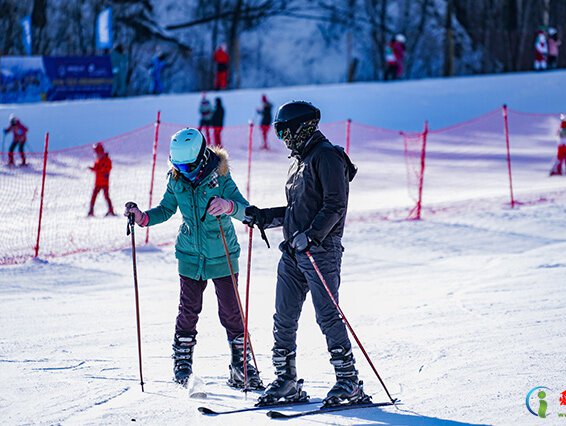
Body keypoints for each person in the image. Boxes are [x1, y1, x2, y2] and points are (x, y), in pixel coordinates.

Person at [243, 101, 364, 407]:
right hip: (294, 252)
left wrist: (311, 236)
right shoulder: (299, 161)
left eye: (286, 132)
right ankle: (286, 380)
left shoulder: (327, 157)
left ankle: (348, 380)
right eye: (279, 133)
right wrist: (265, 216)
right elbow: (297, 211)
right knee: (283, 317)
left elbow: (335, 205)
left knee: (327, 315)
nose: (284, 139)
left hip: (320, 251)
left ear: (303, 127)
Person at [123, 128, 263, 389]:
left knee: (232, 313)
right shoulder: (176, 179)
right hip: (190, 255)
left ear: (200, 157)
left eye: (188, 165)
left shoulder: (220, 178)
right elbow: (166, 209)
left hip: (222, 252)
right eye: (178, 165)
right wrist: (142, 218)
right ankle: (182, 362)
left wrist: (228, 206)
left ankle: (241, 366)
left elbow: (246, 210)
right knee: (188, 311)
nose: (183, 170)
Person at [88, 143, 116, 217]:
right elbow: (96, 168)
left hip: (104, 183)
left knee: (106, 196)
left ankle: (111, 210)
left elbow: (107, 169)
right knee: (94, 196)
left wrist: (100, 169)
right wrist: (92, 169)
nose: (97, 154)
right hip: (98, 183)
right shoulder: (98, 160)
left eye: (97, 152)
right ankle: (91, 211)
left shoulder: (107, 160)